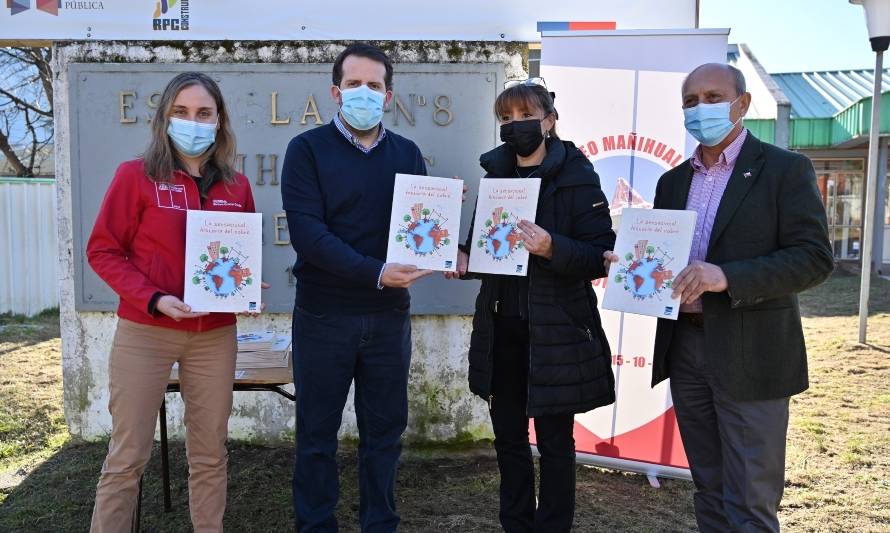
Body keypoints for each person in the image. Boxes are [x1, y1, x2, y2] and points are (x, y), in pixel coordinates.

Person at [606, 63, 834, 532]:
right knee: (708, 487)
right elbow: (668, 259)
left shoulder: (786, 170)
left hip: (753, 352)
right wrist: (632, 266)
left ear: (742, 104)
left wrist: (726, 276)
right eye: (690, 101)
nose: (700, 108)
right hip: (685, 348)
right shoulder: (671, 182)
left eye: (712, 97)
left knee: (751, 498)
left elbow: (813, 258)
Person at [87, 72, 258, 532]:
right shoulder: (135, 176)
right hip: (146, 333)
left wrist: (245, 287)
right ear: (164, 118)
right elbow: (102, 251)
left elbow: (236, 257)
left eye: (204, 113)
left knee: (209, 454)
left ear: (219, 121)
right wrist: (155, 298)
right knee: (127, 457)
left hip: (214, 337)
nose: (193, 122)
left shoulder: (236, 187)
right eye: (181, 112)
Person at [447, 80, 616, 533]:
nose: (515, 126)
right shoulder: (495, 177)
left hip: (556, 329)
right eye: (505, 118)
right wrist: (462, 260)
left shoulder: (579, 176)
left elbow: (600, 253)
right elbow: (485, 249)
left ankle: (553, 525)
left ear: (549, 121)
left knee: (556, 441)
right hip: (501, 328)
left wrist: (550, 248)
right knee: (508, 439)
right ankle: (516, 524)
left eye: (524, 115)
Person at [280, 43, 432, 532]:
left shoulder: (407, 154)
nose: (364, 93)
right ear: (335, 91)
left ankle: (379, 524)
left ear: (389, 95)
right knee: (317, 437)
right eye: (354, 84)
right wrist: (375, 271)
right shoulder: (306, 150)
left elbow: (418, 235)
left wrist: (439, 219)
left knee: (385, 436)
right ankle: (316, 525)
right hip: (324, 317)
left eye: (374, 85)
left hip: (389, 319)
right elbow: (309, 235)